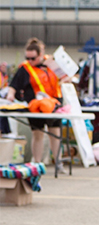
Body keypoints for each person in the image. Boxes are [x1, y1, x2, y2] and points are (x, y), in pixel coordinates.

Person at [6, 38, 67, 171]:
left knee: (55, 133)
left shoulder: (52, 63)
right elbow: (14, 85)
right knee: (37, 134)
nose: (30, 61)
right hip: (36, 107)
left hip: (54, 104)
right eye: (27, 58)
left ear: (40, 55)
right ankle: (37, 164)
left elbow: (66, 77)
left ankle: (58, 162)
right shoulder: (25, 68)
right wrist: (10, 95)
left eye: (33, 58)